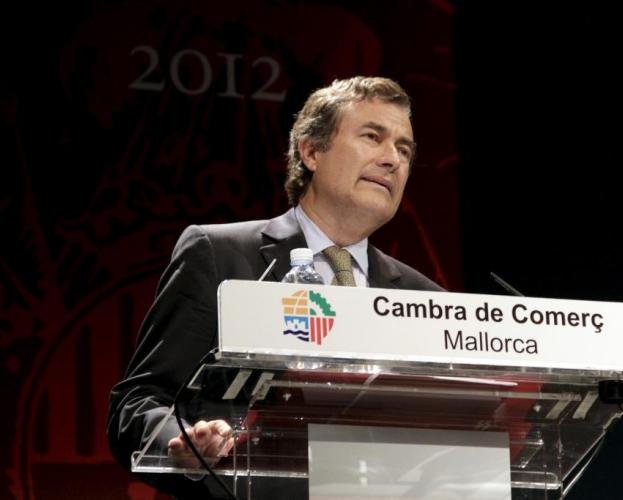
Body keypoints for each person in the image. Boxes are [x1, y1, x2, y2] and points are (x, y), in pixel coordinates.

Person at [107, 76, 443, 497]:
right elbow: (139, 401)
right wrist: (185, 443)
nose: (392, 159)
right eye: (372, 137)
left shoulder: (425, 299)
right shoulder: (219, 255)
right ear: (311, 151)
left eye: (404, 149)